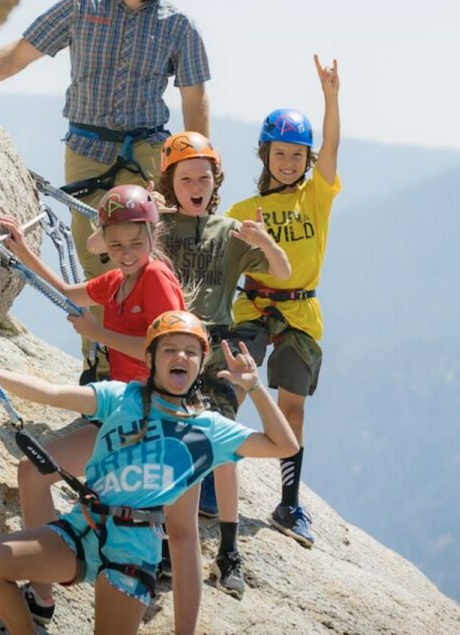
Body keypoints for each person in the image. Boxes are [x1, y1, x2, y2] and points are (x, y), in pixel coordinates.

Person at [0, 0, 210, 373]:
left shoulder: (178, 27)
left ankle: (166, 370)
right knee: (98, 262)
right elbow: (19, 55)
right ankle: (100, 368)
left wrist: (197, 167)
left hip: (147, 147)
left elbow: (195, 100)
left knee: (149, 260)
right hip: (87, 149)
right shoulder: (81, 7)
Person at [0, 310, 298, 635]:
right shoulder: (121, 397)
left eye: (190, 351)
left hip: (132, 553)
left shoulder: (208, 429)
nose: (180, 357)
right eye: (170, 349)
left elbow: (284, 445)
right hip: (82, 529)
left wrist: (256, 387)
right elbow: (50, 393)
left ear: (201, 363)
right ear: (152, 358)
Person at [0, 184, 186, 626]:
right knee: (33, 472)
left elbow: (172, 350)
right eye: (116, 244)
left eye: (135, 244)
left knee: (41, 476)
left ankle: (54, 589)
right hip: (121, 409)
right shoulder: (121, 280)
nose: (125, 253)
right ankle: (41, 595)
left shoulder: (156, 278)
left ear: (152, 239)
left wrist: (100, 335)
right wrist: (23, 250)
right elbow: (69, 290)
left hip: (150, 418)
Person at [157, 130, 291, 598]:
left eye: (205, 177)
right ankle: (165, 547)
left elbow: (282, 272)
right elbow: (103, 248)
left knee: (224, 447)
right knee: (170, 442)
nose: (197, 185)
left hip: (215, 349)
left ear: (217, 182)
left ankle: (228, 551)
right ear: (170, 182)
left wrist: (265, 242)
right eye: (186, 177)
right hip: (171, 346)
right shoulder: (158, 228)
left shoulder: (229, 234)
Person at [226, 55, 341, 549]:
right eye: (281, 154)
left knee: (292, 411)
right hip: (253, 307)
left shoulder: (315, 196)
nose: (289, 162)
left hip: (298, 311)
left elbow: (332, 148)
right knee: (226, 393)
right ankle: (213, 484)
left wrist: (331, 98)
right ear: (265, 155)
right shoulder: (243, 211)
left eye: (298, 155)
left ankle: (289, 503)